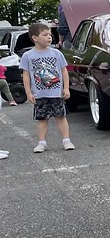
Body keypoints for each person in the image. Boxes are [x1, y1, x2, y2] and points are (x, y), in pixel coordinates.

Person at [20, 22, 74, 152]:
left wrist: (66, 88)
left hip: (56, 93)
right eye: (45, 35)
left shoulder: (57, 53)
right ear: (35, 38)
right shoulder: (28, 56)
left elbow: (64, 71)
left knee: (61, 116)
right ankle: (42, 143)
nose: (49, 37)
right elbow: (26, 75)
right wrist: (28, 93)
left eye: (50, 34)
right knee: (42, 119)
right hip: (39, 94)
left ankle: (67, 141)